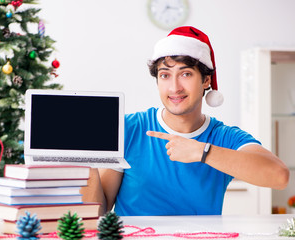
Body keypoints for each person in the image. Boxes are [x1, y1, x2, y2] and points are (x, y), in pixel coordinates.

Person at [81, 26, 289, 216]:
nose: (174, 87)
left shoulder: (223, 137)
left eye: (186, 74)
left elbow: (279, 176)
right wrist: (86, 156)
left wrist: (203, 152)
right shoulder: (129, 128)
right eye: (165, 75)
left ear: (206, 80)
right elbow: (99, 209)